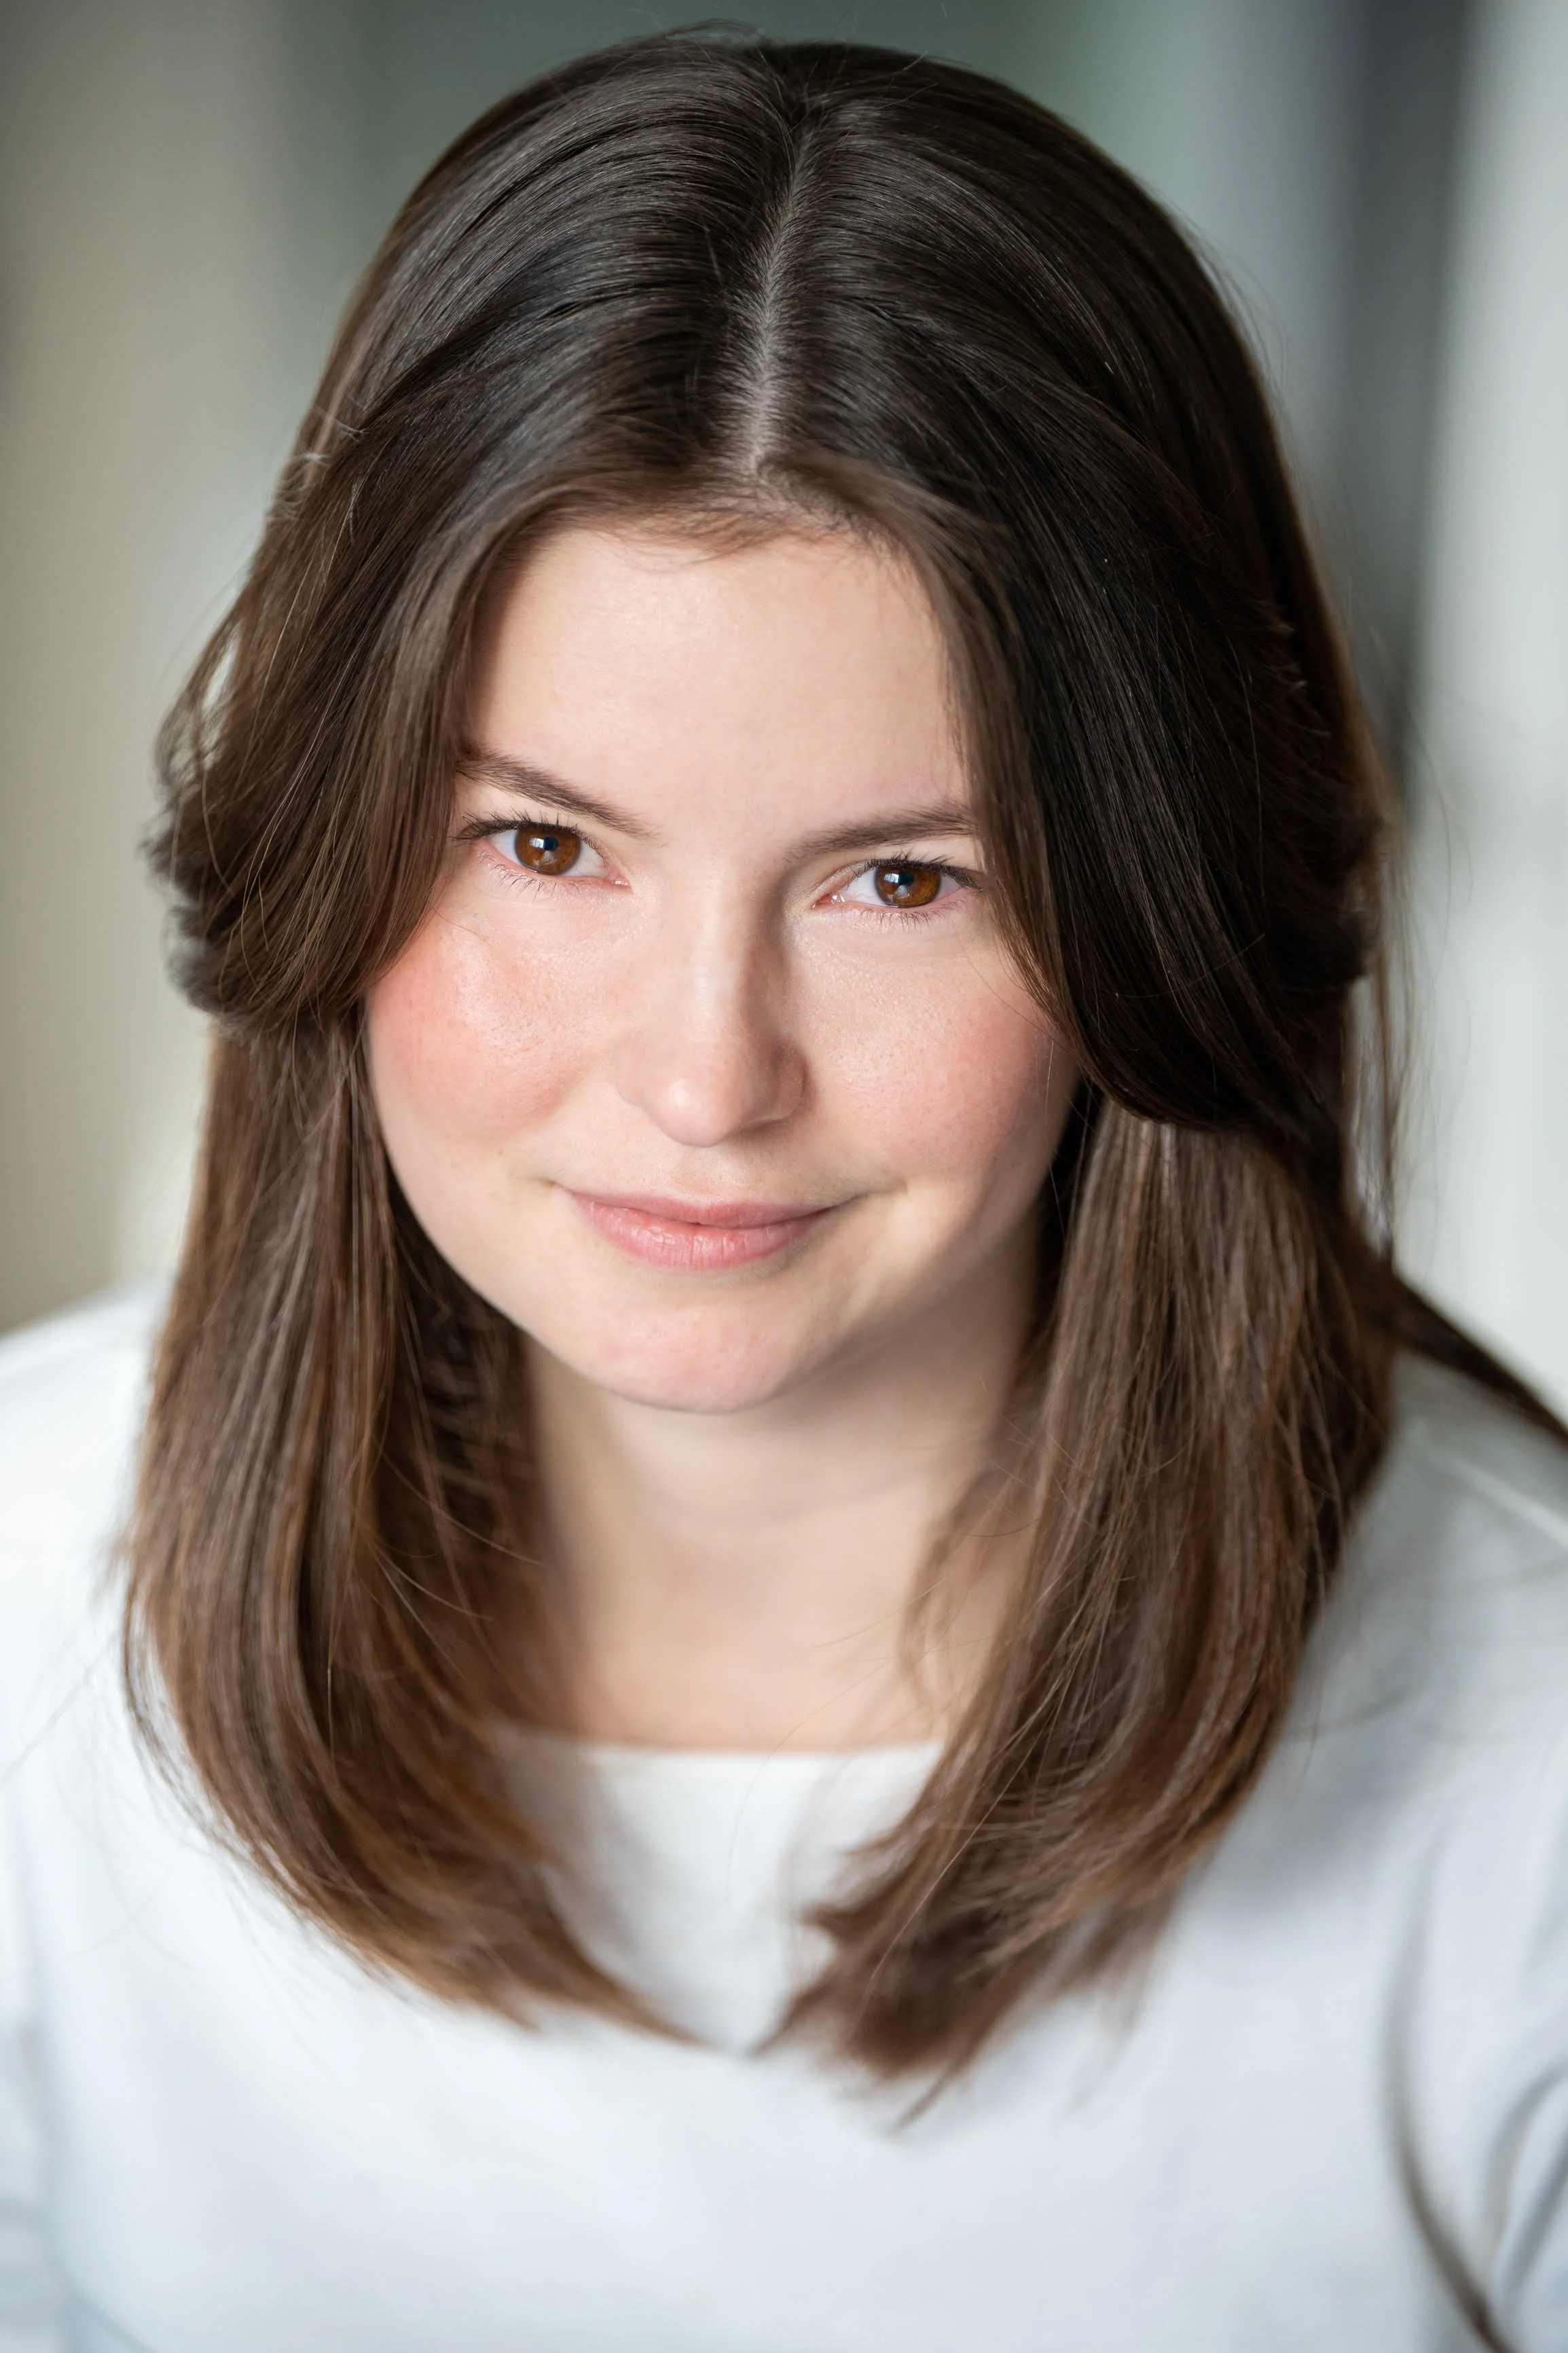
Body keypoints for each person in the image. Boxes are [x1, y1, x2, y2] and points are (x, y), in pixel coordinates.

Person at [1, 30, 1565, 2351]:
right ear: (333, 845)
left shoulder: (1523, 1749)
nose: (705, 1078)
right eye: (545, 846)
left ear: (1145, 915)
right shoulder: (23, 1583)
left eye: (900, 880)